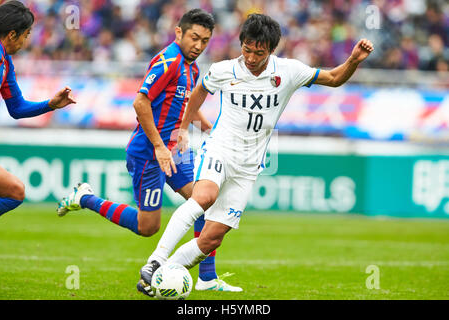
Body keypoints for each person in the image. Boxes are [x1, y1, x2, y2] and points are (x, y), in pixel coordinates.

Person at [137, 13, 374, 295]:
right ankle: (155, 262)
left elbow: (334, 78)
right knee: (203, 197)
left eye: (258, 53)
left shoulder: (289, 71)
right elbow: (199, 92)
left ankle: (160, 277)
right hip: (219, 149)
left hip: (249, 165)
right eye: (246, 49)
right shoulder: (224, 70)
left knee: (213, 237)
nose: (250, 57)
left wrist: (353, 61)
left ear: (272, 50)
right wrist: (186, 128)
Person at [57, 9, 242, 293]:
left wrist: (209, 130)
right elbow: (140, 103)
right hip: (148, 152)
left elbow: (185, 108)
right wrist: (158, 147)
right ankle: (85, 197)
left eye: (205, 40)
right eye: (194, 37)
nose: (199, 45)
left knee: (203, 200)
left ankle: (206, 278)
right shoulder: (168, 61)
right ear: (179, 32)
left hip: (174, 151)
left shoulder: (192, 68)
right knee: (148, 226)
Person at [0, 0, 76, 218]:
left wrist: (50, 104)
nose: (25, 42)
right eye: (26, 35)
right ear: (13, 35)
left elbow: (17, 107)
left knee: (15, 192)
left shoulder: (5, 62)